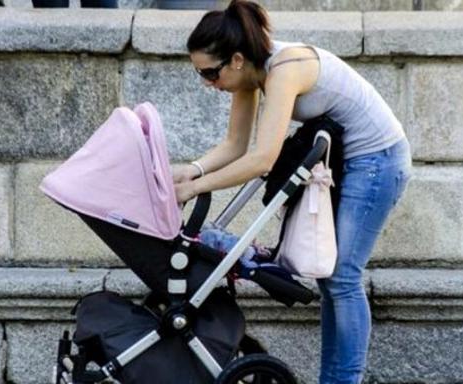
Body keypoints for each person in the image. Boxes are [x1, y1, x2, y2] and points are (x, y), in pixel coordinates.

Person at [172, 0, 412, 382]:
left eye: (209, 74)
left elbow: (263, 159)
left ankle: (342, 380)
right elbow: (235, 145)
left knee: (343, 277)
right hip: (350, 161)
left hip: (379, 160)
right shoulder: (250, 72)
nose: (207, 83)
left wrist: (195, 188)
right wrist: (189, 172)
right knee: (331, 277)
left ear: (235, 60)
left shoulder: (284, 69)